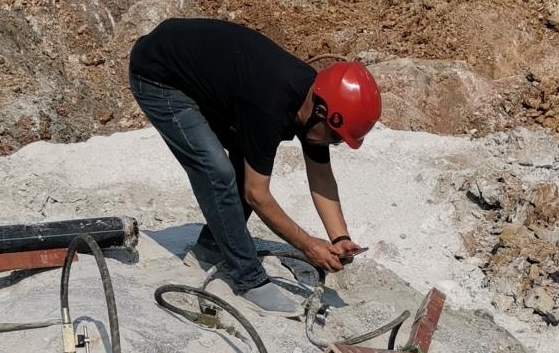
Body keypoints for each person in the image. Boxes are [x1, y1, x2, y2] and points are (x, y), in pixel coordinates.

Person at [128, 18, 382, 316]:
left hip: (203, 74)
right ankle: (248, 279)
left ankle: (210, 248)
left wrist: (340, 238)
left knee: (244, 155)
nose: (334, 144)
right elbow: (256, 194)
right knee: (218, 171)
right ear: (322, 111)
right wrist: (308, 245)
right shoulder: (270, 104)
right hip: (158, 76)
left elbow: (322, 175)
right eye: (336, 138)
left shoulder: (313, 103)